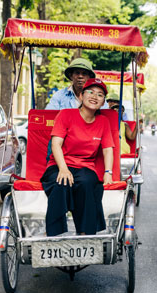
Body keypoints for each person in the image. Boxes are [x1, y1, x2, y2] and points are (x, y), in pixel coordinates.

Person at [41, 78, 114, 236]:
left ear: (103, 103)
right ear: (81, 96)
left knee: (88, 183)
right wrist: (63, 169)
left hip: (85, 167)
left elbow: (108, 149)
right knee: (61, 182)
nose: (95, 96)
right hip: (59, 164)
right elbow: (56, 144)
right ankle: (54, 233)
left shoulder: (103, 122)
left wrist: (108, 172)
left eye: (100, 95)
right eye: (90, 92)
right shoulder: (66, 114)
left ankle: (85, 232)